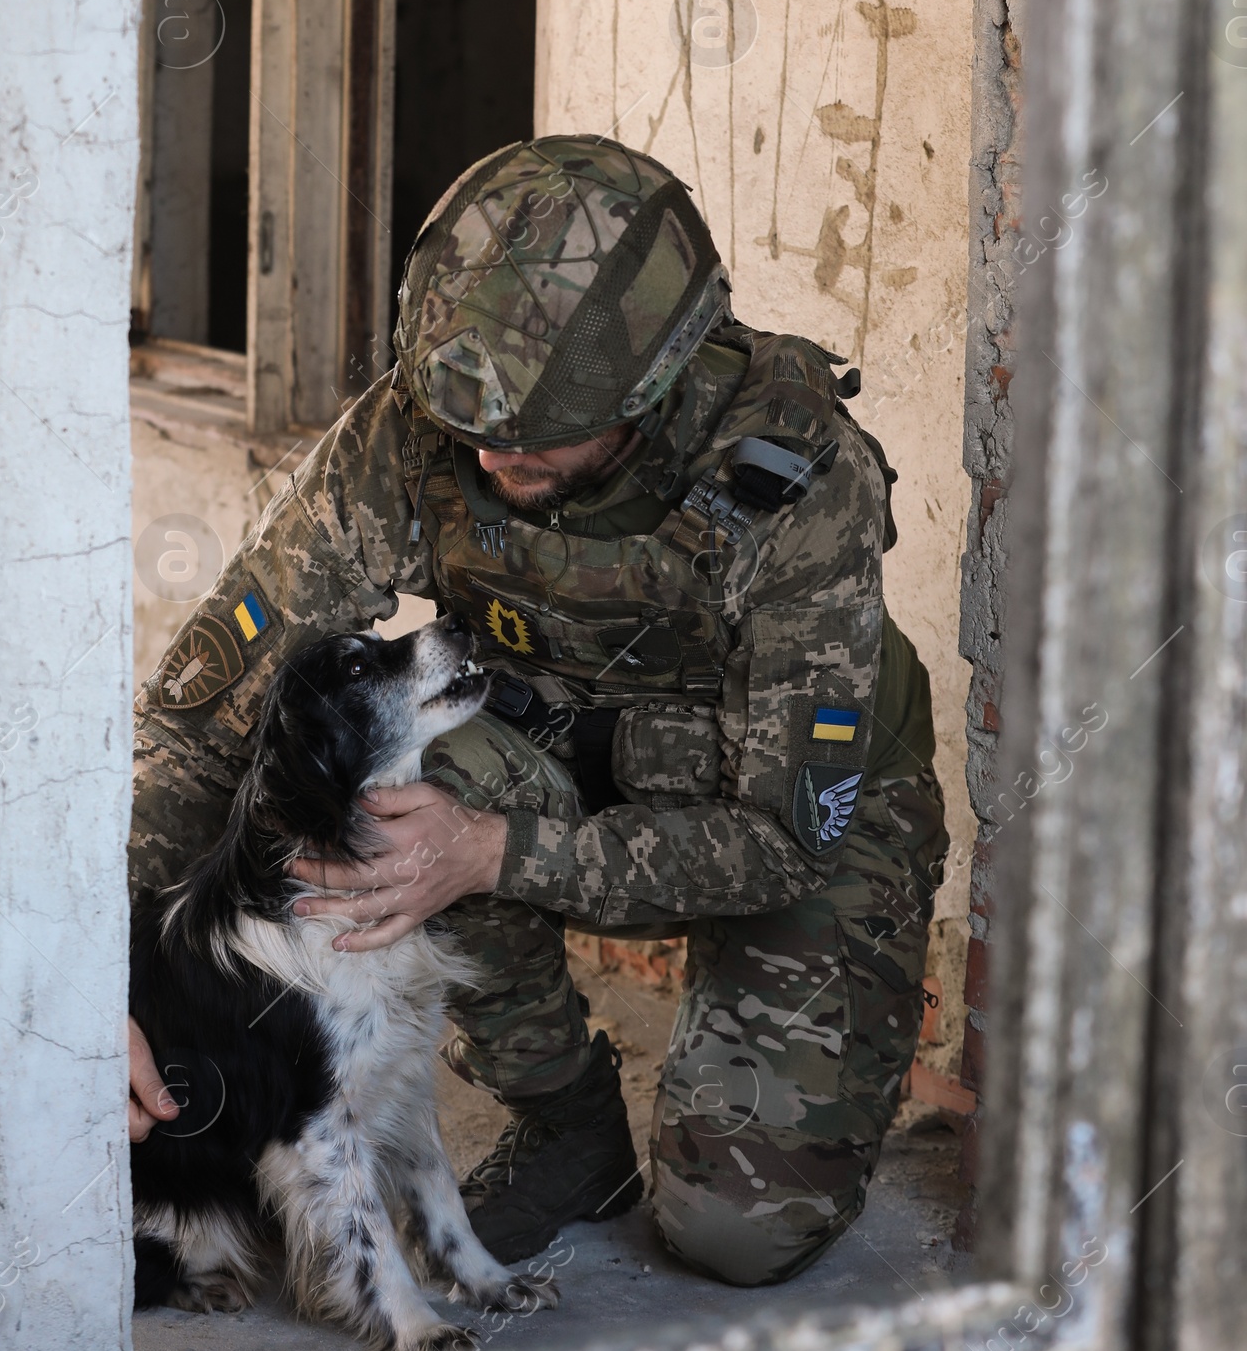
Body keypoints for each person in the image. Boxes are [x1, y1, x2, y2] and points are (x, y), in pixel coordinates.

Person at [126, 137, 946, 1286]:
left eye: (537, 423)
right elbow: (200, 724)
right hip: (547, 761)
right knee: (399, 790)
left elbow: (783, 834)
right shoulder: (416, 435)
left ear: (651, 376)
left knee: (733, 1234)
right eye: (475, 419)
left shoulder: (793, 477)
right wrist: (109, 984)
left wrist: (497, 854)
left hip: (793, 817)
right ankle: (567, 1126)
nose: (492, 449)